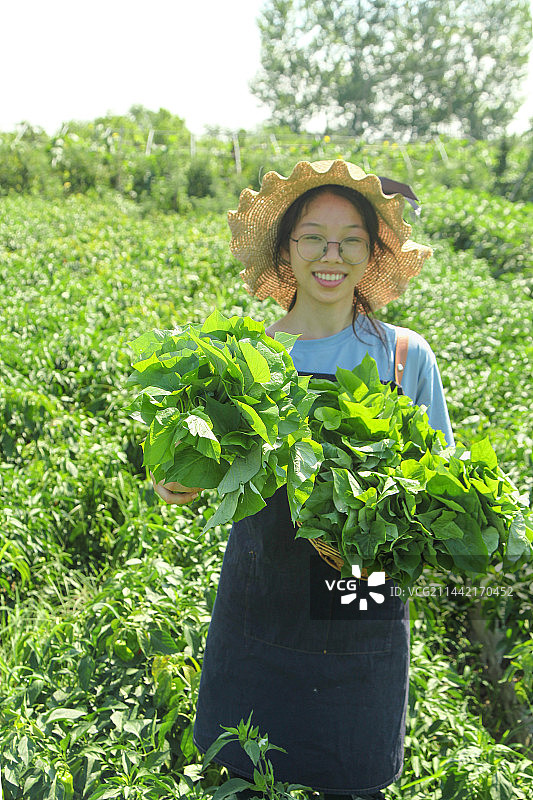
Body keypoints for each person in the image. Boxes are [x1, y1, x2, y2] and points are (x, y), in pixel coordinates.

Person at [152, 160, 455, 799]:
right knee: (245, 775)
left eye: (350, 240)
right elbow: (200, 470)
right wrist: (178, 480)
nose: (331, 255)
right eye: (313, 236)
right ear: (288, 249)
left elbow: (441, 487)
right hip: (261, 588)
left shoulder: (403, 357)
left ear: (372, 254)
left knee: (351, 771)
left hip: (360, 593)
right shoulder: (244, 359)